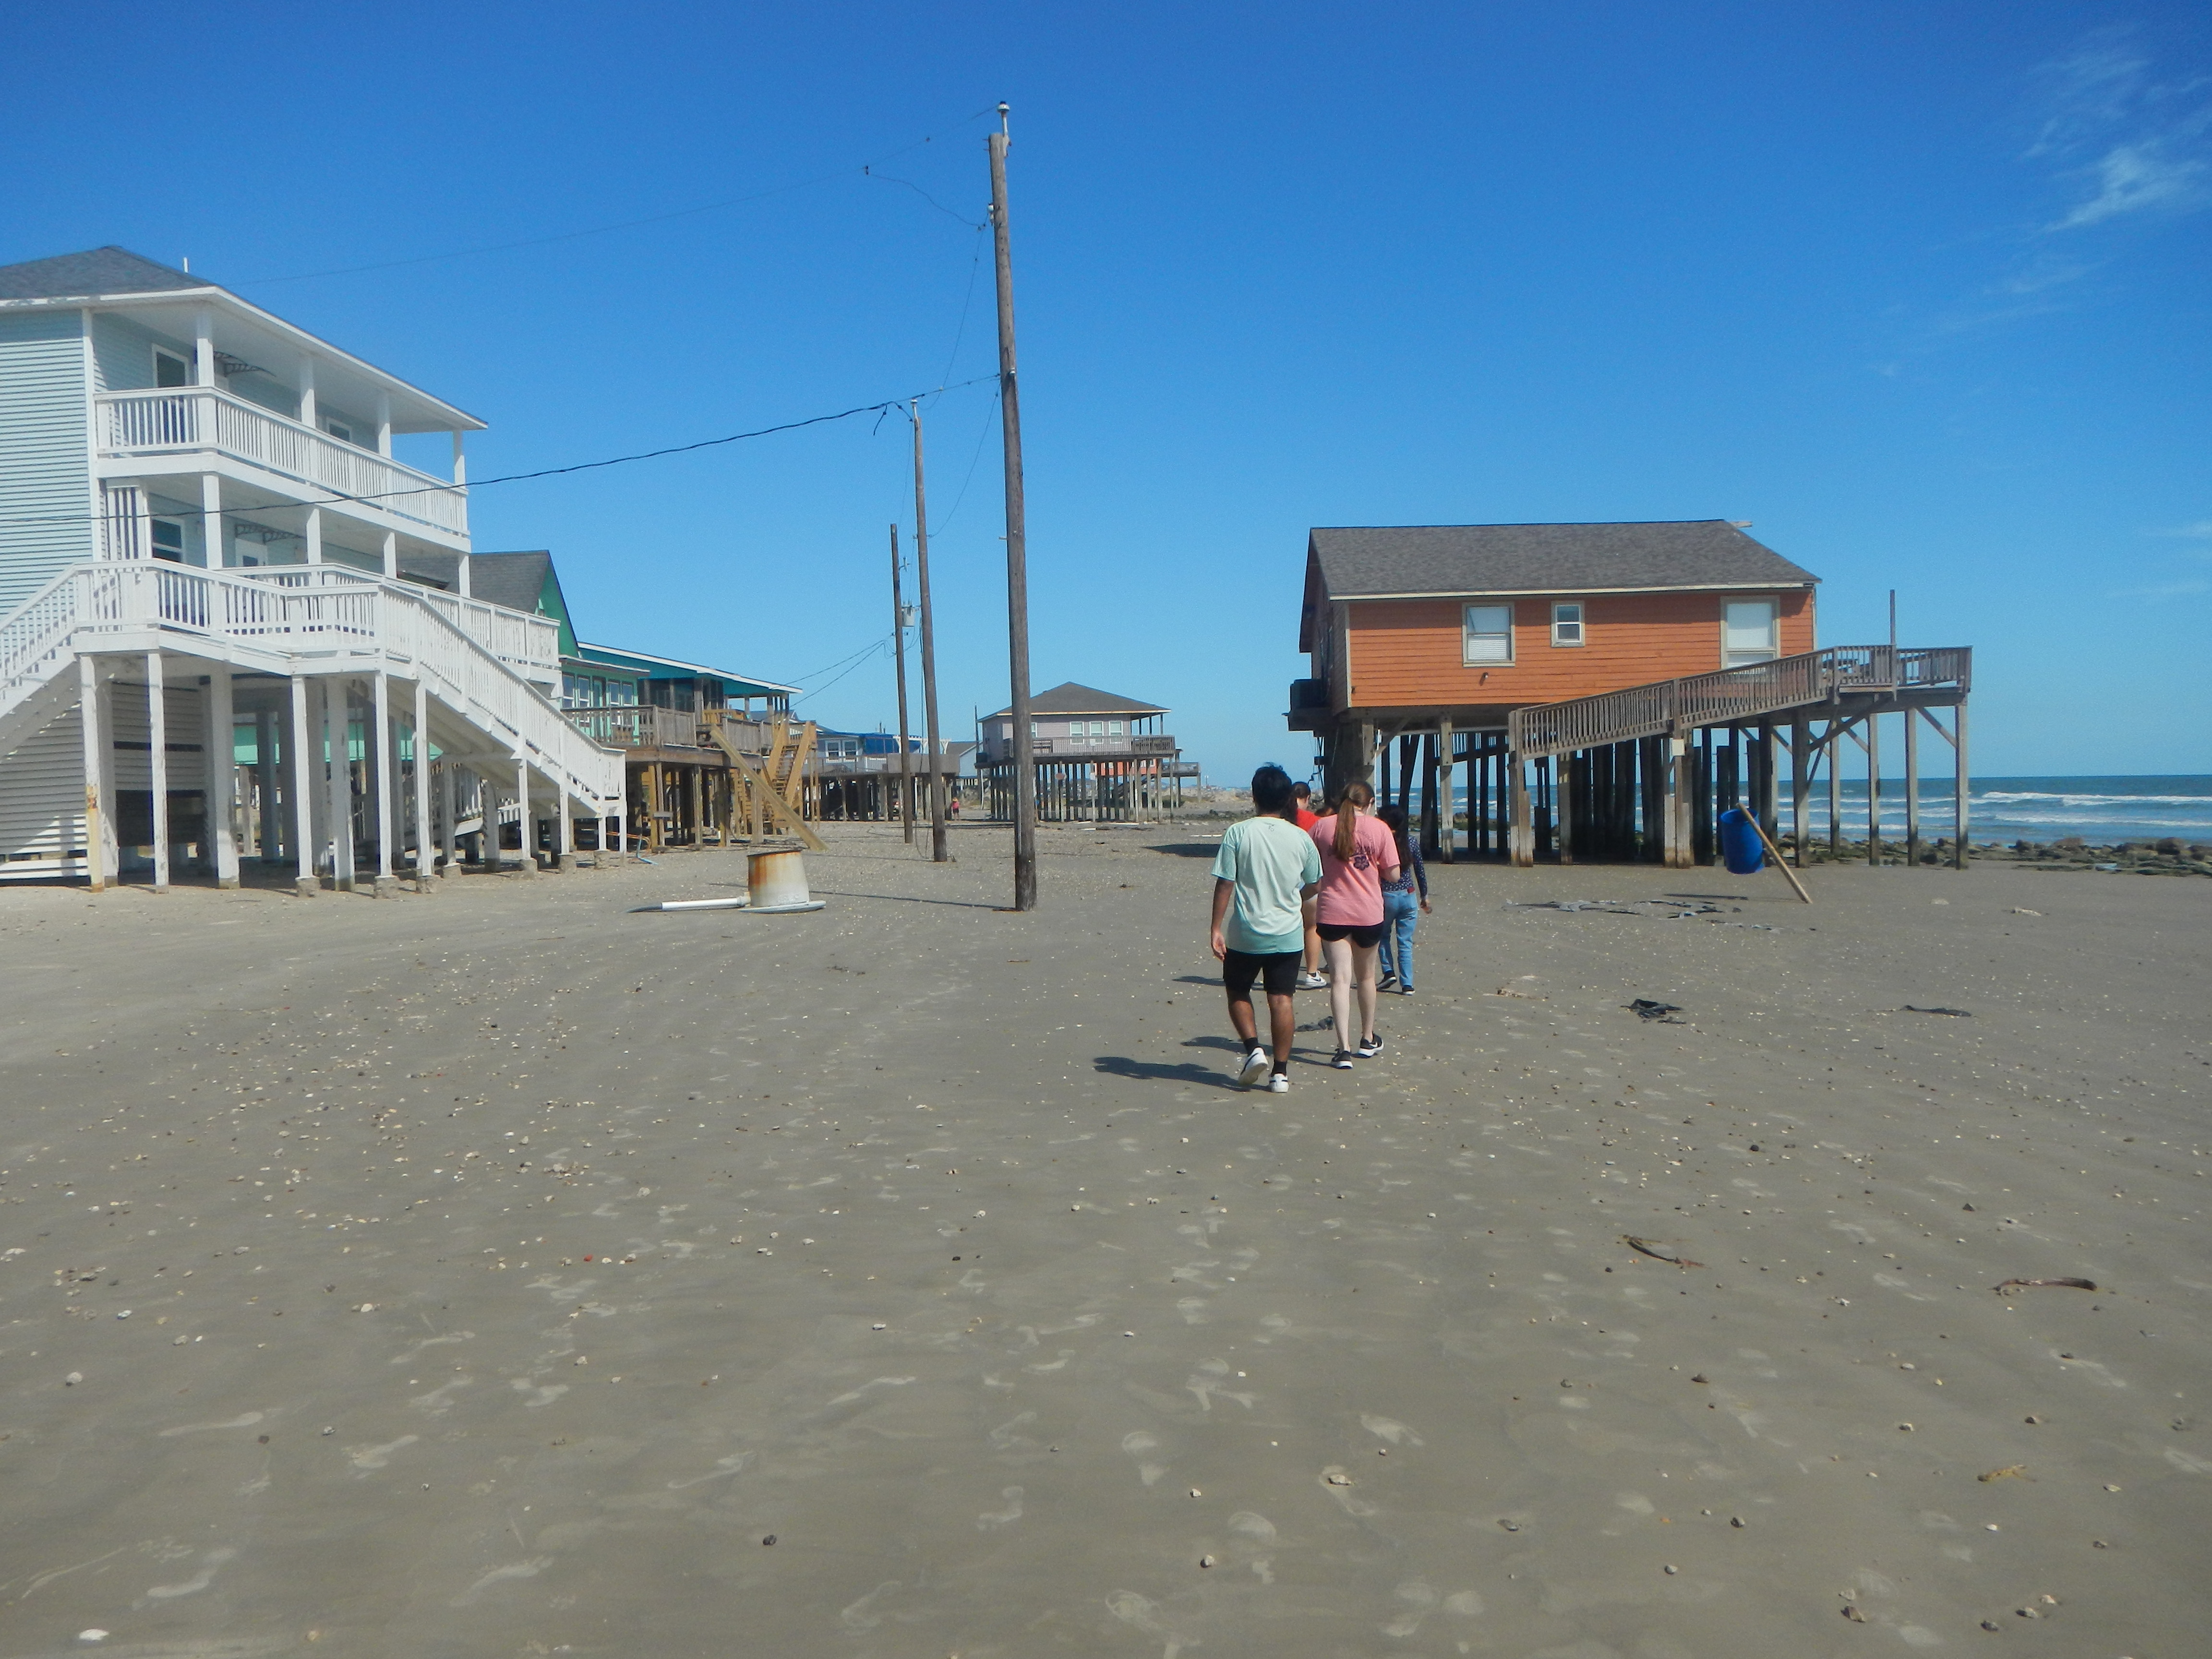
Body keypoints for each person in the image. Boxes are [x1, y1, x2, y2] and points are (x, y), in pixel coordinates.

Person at [1209, 765, 1322, 1091]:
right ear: (1289, 797)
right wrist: (1294, 897)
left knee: (1237, 989)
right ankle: (1281, 1074)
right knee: (1282, 999)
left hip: (1246, 929)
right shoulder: (1300, 837)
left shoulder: (1238, 833)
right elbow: (1315, 884)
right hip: (1287, 930)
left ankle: (1253, 1048)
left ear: (1255, 796)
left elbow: (1225, 883)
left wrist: (1215, 927)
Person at [1309, 779, 1398, 1069]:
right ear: (1369, 803)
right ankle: (1367, 1038)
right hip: (1368, 913)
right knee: (1367, 978)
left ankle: (1343, 1048)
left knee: (1339, 980)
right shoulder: (1379, 829)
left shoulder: (1322, 827)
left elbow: (1308, 862)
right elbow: (1394, 875)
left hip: (1333, 911)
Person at [1375, 803, 1430, 994]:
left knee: (1382, 936)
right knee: (1405, 941)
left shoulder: (1383, 841)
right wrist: (1425, 896)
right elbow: (1420, 871)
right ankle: (1408, 984)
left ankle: (1388, 971)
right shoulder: (1411, 842)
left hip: (1387, 895)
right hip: (1409, 895)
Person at [1290, 781, 1328, 990]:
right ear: (1307, 798)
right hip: (1309, 879)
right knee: (1312, 927)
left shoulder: (1282, 819)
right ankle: (1312, 973)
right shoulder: (1316, 822)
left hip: (1284, 879)